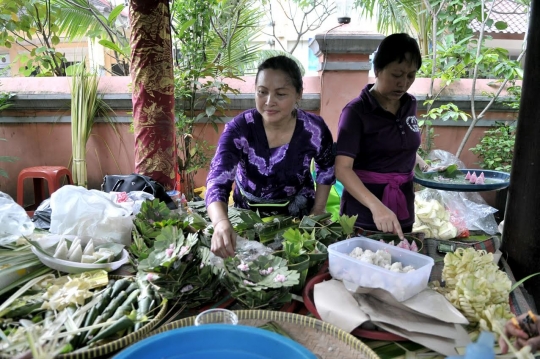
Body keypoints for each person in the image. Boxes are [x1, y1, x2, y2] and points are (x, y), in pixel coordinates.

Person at [205, 55, 336, 258]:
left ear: (298, 94)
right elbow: (217, 180)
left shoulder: (314, 129)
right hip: (247, 217)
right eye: (262, 92)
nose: (269, 102)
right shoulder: (239, 129)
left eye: (280, 94)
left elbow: (326, 168)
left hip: (299, 218)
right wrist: (221, 223)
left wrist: (318, 210)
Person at [335, 33, 429, 240]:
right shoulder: (356, 112)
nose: (403, 83)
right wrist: (377, 207)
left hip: (403, 207)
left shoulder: (409, 104)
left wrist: (423, 164)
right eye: (397, 75)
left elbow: (401, 146)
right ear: (377, 70)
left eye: (411, 76)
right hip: (364, 214)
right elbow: (342, 168)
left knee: (400, 264)